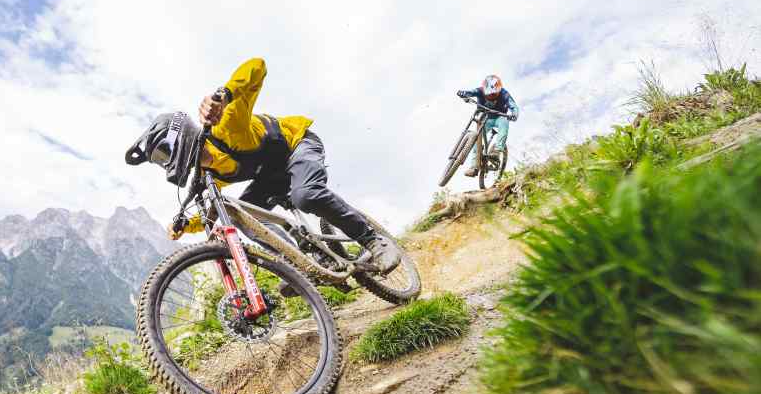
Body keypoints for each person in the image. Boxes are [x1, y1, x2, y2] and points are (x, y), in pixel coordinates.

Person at [124, 57, 402, 273]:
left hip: (297, 145)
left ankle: (373, 240)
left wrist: (224, 94)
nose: (165, 163)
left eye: (163, 154)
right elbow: (214, 211)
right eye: (160, 161)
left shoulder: (226, 123)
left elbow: (257, 66)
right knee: (241, 216)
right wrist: (186, 226)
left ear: (179, 136)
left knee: (305, 195)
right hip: (272, 174)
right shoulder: (210, 172)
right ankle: (305, 262)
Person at [456, 75, 519, 177]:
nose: (490, 96)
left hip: (500, 116)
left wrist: (514, 114)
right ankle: (474, 167)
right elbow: (470, 92)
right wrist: (463, 94)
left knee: (504, 122)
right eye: (488, 94)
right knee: (477, 139)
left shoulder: (504, 94)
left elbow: (513, 106)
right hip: (486, 117)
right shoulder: (479, 90)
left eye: (493, 94)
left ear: (498, 90)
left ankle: (497, 150)